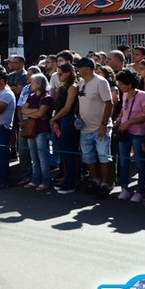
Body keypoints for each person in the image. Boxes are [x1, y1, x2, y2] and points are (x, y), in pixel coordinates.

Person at [74, 57, 114, 198]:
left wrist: (103, 124)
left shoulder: (101, 82)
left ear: (87, 68)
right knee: (88, 157)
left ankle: (106, 184)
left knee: (104, 157)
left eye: (79, 67)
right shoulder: (81, 82)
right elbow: (81, 102)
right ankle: (96, 180)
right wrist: (79, 117)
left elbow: (109, 103)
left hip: (100, 128)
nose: (77, 70)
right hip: (85, 128)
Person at [114, 69, 145, 201]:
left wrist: (130, 122)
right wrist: (119, 119)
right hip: (124, 132)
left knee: (140, 162)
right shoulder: (124, 94)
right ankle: (124, 189)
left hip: (138, 133)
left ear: (130, 84)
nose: (119, 86)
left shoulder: (143, 95)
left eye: (121, 84)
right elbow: (124, 110)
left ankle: (140, 190)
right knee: (123, 161)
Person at [49, 63, 80, 194]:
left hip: (68, 121)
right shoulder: (63, 87)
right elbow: (57, 104)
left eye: (61, 73)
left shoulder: (73, 87)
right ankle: (65, 176)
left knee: (69, 153)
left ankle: (71, 181)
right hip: (61, 120)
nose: (59, 76)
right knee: (63, 152)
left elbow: (67, 108)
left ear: (68, 73)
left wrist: (54, 119)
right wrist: (55, 119)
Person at [21, 73, 54, 191]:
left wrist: (32, 112)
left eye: (33, 82)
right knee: (34, 157)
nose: (31, 84)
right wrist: (36, 111)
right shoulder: (31, 96)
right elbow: (23, 110)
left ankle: (46, 181)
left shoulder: (47, 98)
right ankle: (35, 179)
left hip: (42, 130)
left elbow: (41, 113)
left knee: (42, 157)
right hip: (32, 129)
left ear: (39, 84)